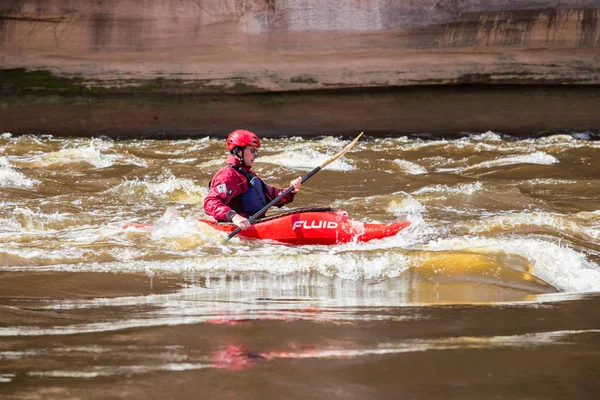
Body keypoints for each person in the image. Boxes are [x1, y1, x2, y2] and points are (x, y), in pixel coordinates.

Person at [203, 129, 302, 230]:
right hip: (241, 227)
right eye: (252, 150)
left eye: (256, 151)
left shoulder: (248, 174)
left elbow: (273, 196)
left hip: (257, 222)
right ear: (238, 151)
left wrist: (291, 190)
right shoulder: (228, 175)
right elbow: (209, 202)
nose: (255, 155)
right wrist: (234, 217)